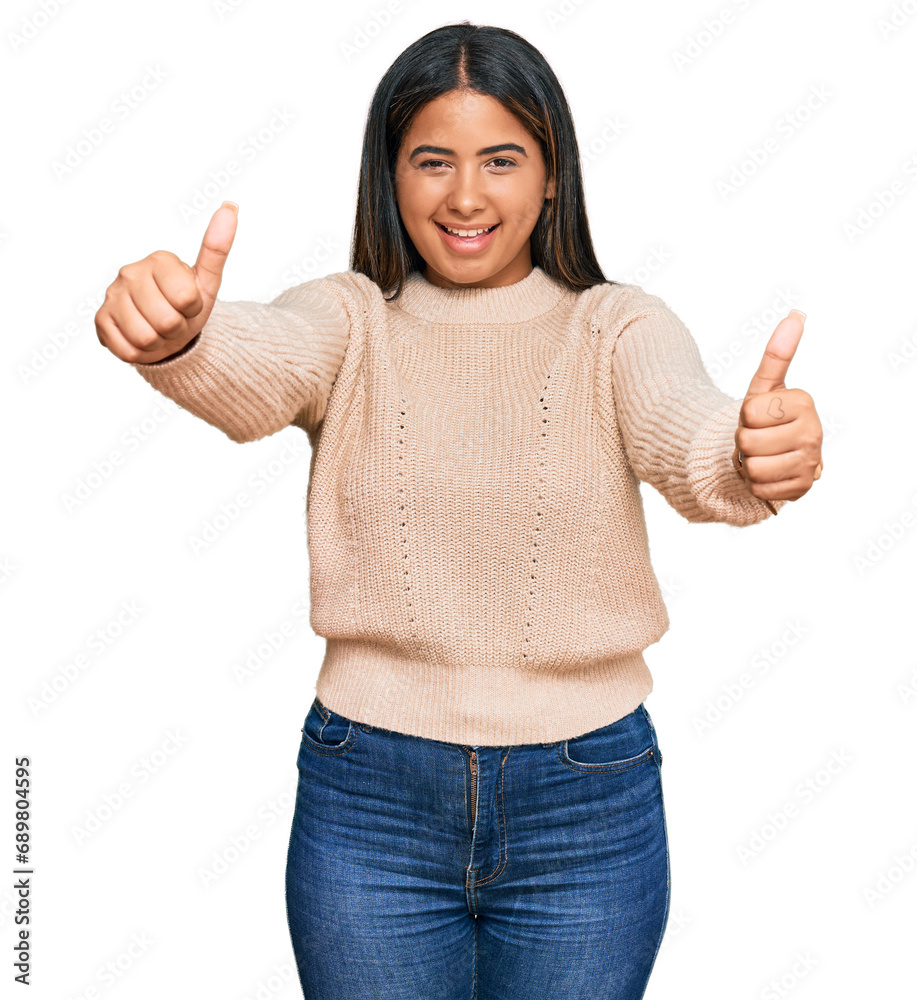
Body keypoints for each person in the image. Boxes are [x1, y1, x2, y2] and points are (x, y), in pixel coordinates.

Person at [95, 21, 823, 1000]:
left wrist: (747, 452)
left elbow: (687, 435)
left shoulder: (615, 328)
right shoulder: (348, 318)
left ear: (551, 175)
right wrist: (180, 337)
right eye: (431, 160)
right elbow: (257, 362)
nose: (466, 195)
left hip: (585, 800)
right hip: (370, 796)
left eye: (500, 160)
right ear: (388, 176)